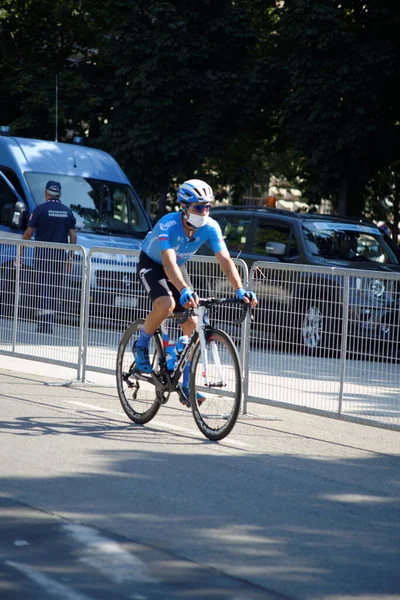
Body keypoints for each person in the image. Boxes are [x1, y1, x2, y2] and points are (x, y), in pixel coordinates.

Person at [134, 178, 257, 407]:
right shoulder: (167, 224)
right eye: (199, 207)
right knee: (167, 305)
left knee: (191, 320)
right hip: (153, 263)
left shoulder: (211, 227)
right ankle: (140, 345)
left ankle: (185, 382)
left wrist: (240, 289)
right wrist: (184, 289)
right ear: (184, 208)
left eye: (208, 206)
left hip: (177, 265)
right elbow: (168, 264)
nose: (204, 211)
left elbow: (225, 260)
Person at [22, 180, 77, 333]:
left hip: (42, 255)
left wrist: (20, 248)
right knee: (54, 288)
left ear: (46, 193)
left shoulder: (39, 210)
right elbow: (73, 236)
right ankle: (49, 323)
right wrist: (70, 256)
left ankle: (42, 323)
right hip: (59, 256)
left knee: (42, 286)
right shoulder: (67, 212)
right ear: (59, 194)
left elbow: (28, 233)